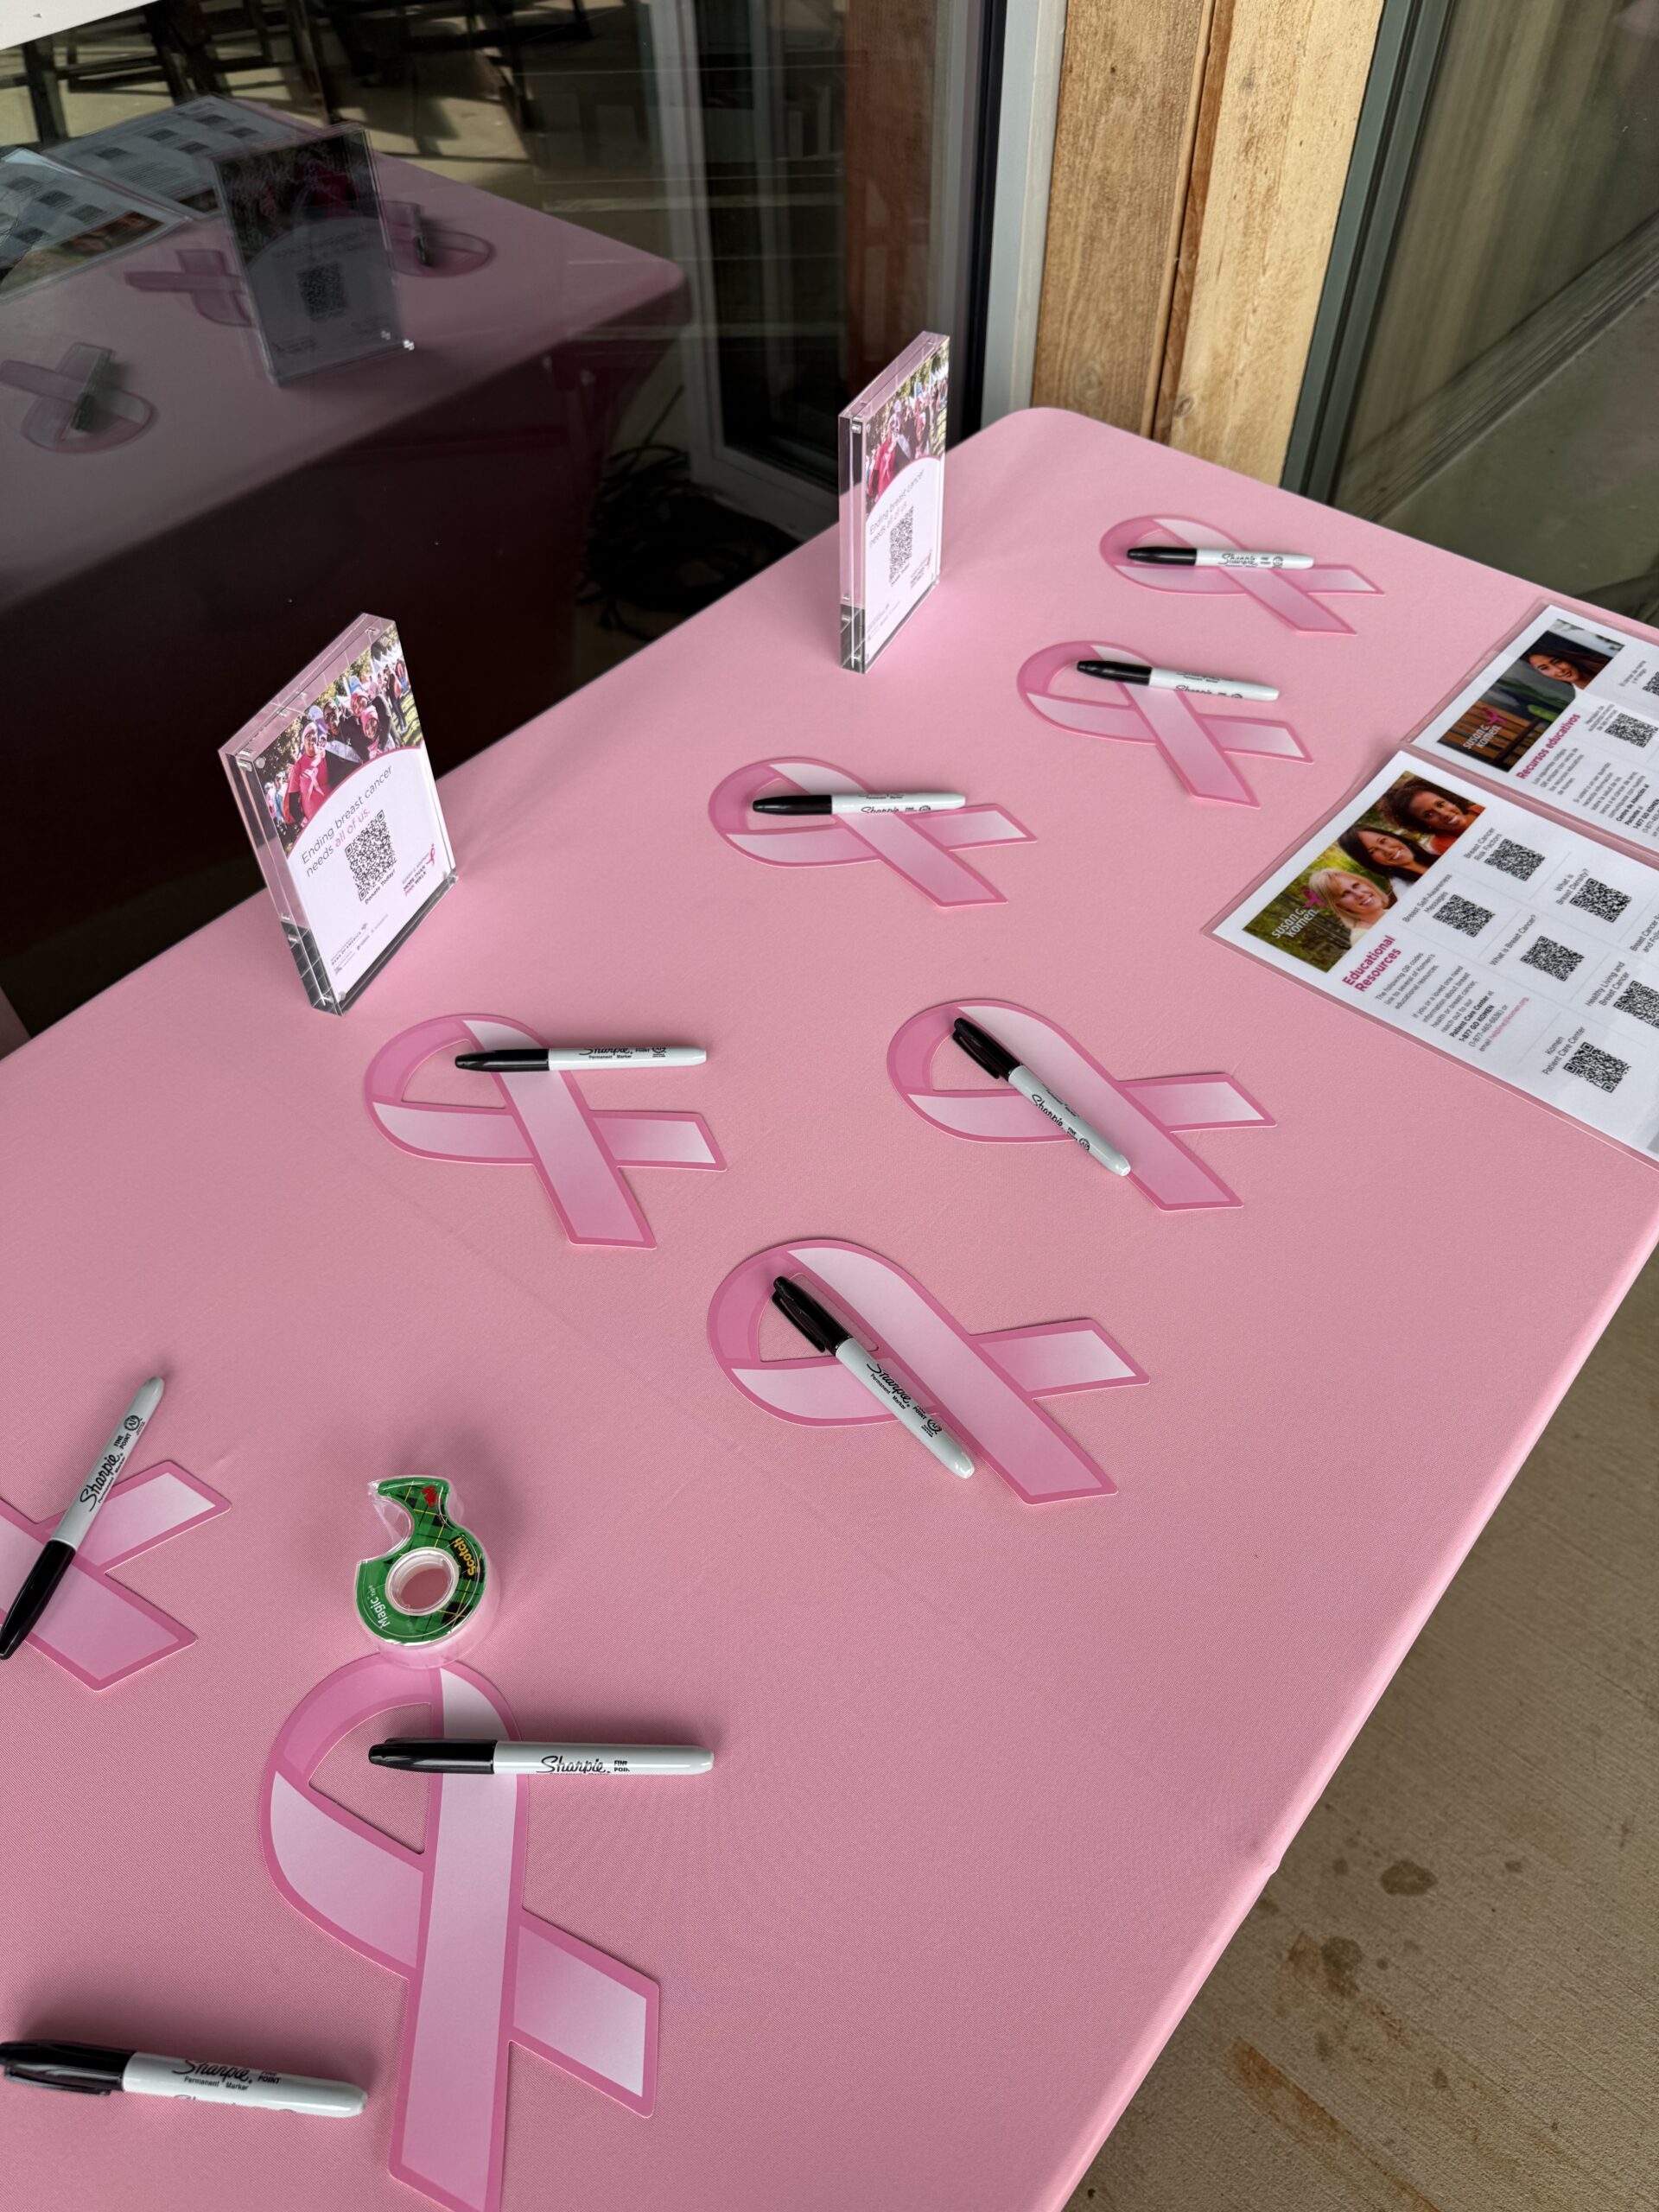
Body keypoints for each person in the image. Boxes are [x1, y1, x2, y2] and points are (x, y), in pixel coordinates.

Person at [1379, 778, 1480, 854]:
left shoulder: (1481, 808)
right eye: (1428, 815)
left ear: (1449, 799)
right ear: (1420, 823)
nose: (1444, 814)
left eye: (1440, 804)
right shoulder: (1441, 845)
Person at [1306, 866, 1394, 943]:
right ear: (1339, 906)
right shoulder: (1362, 937)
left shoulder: (1391, 913)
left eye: (1356, 885)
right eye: (1345, 894)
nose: (1360, 894)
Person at [1337, 825, 1432, 887]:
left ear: (1391, 836)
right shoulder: (1405, 888)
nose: (1388, 850)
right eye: (1373, 851)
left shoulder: (1431, 853)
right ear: (1368, 861)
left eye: (1383, 841)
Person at [1522, 641, 1603, 690]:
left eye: (1557, 662)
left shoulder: (1604, 667)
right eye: (1545, 668)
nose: (1559, 670)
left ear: (1566, 659)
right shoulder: (1585, 700)